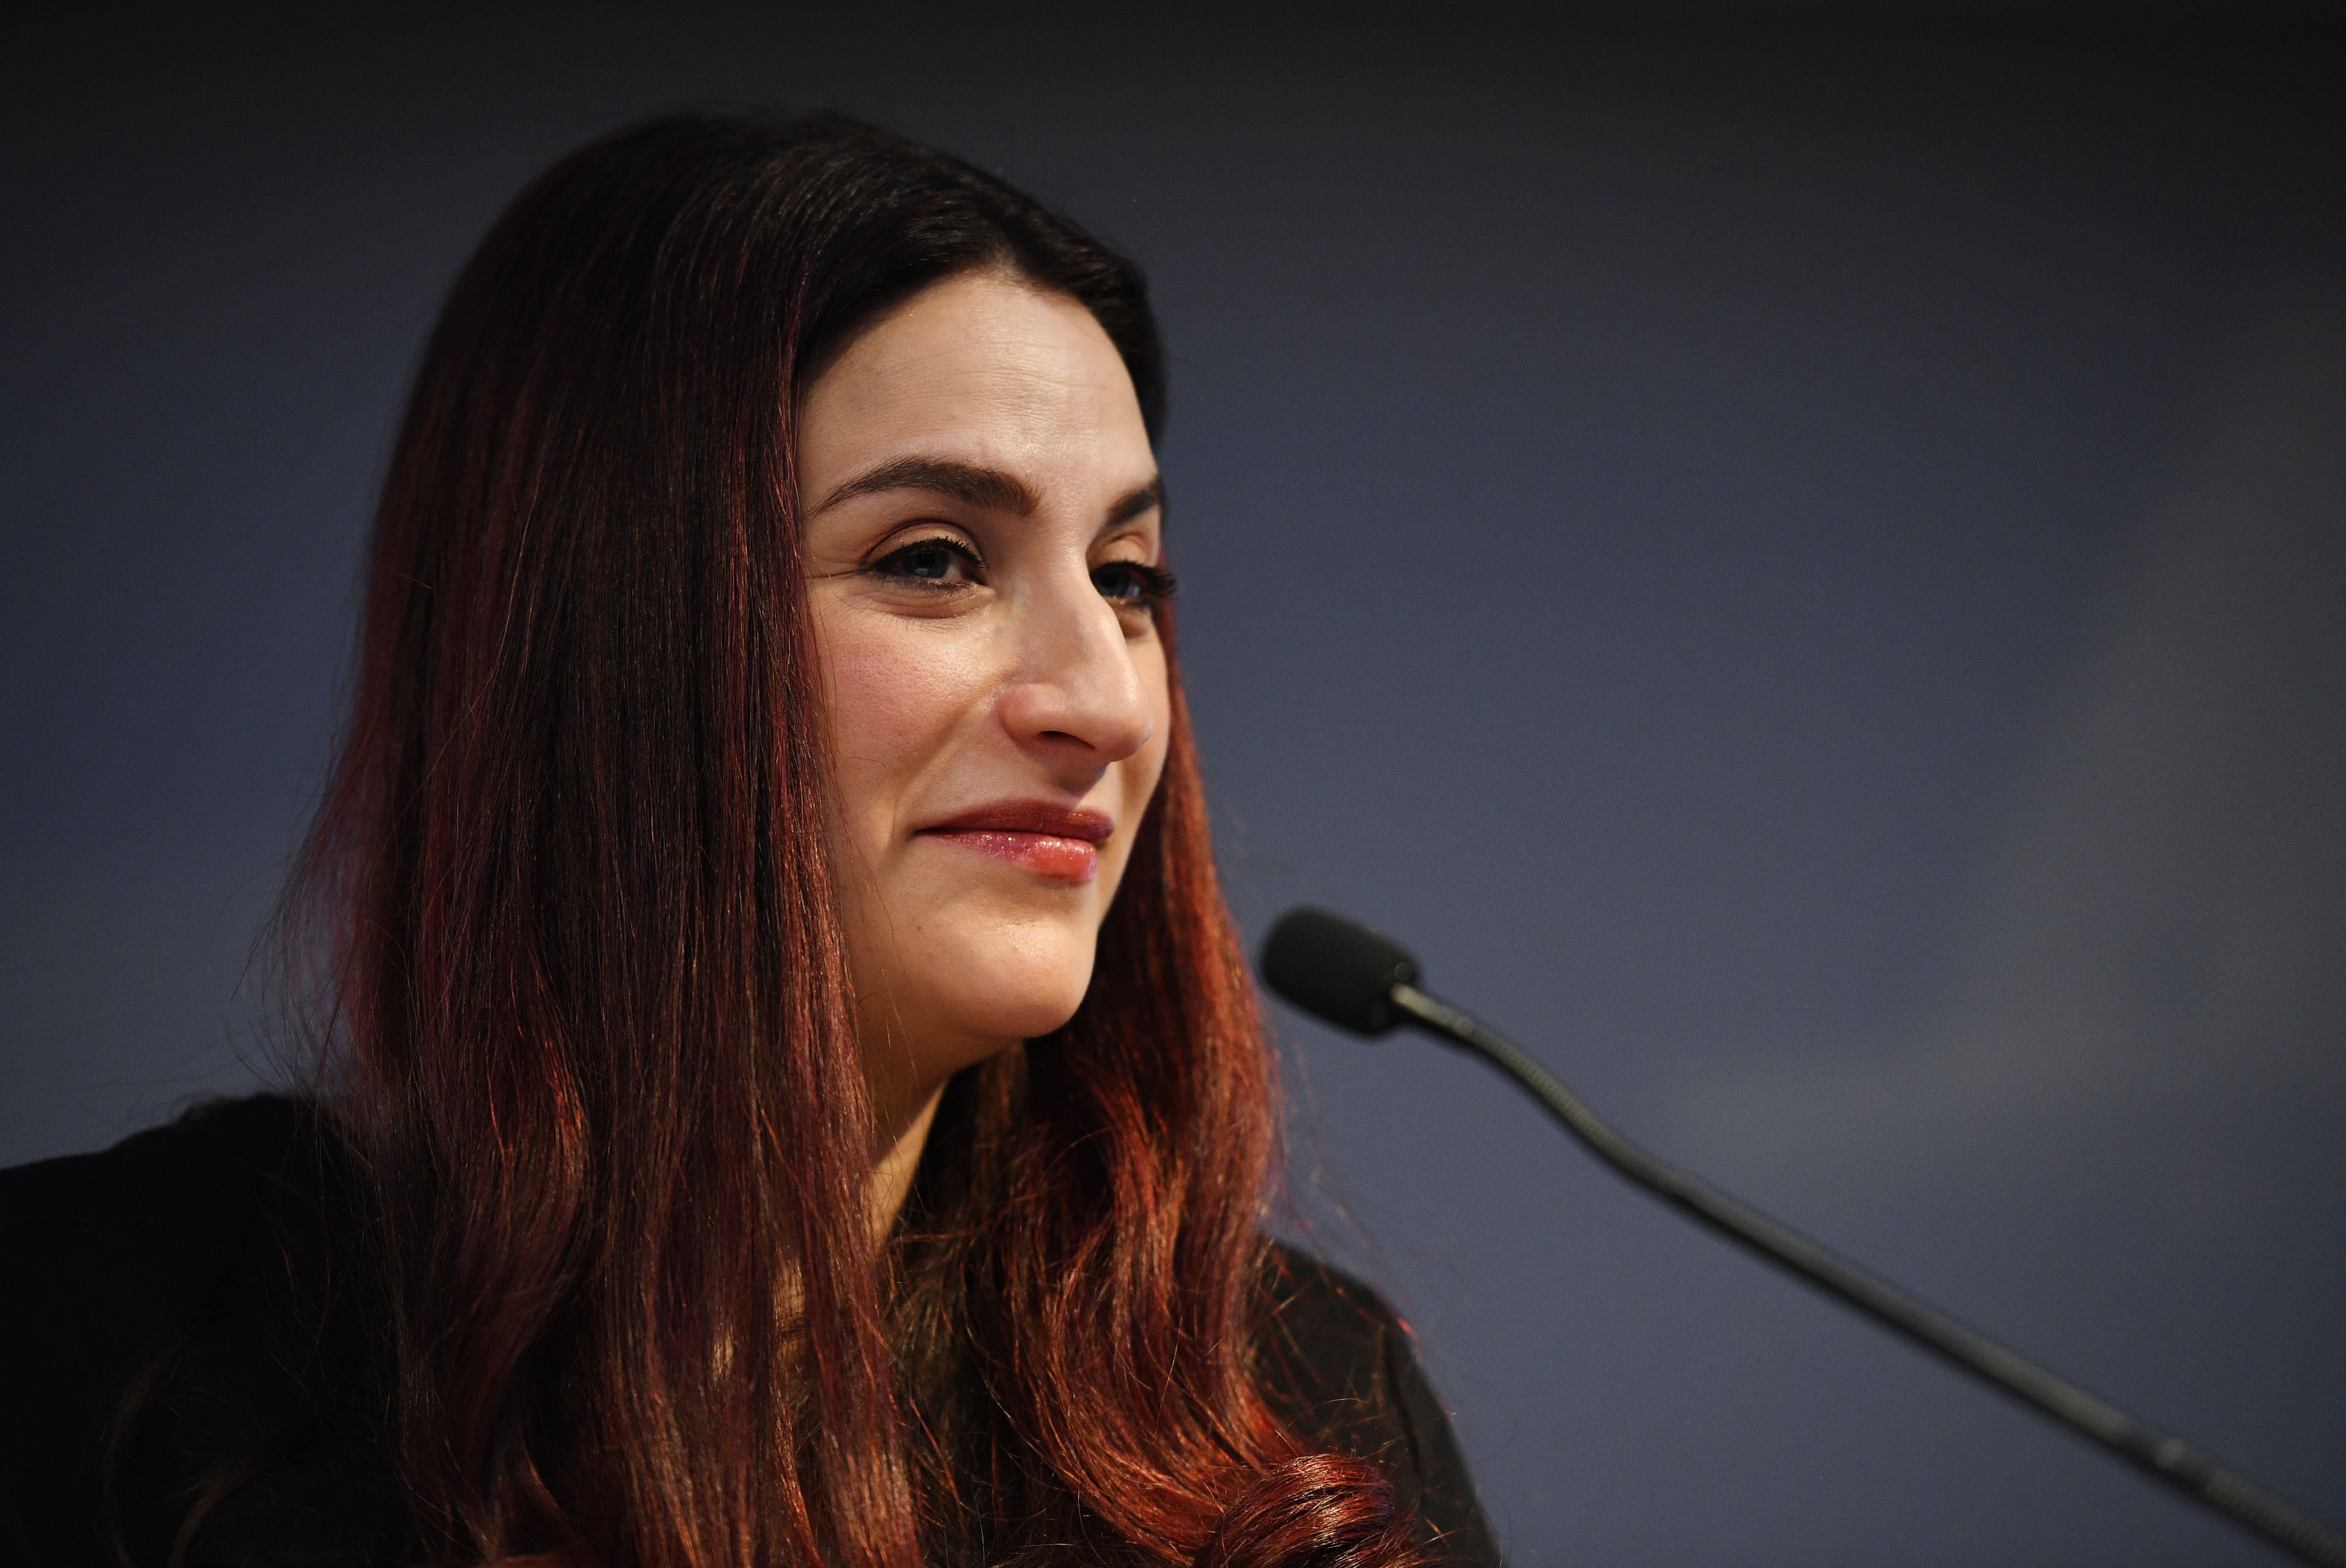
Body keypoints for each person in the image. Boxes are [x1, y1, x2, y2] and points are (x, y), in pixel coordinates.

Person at [0, 114, 1501, 1568]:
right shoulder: (92, 1341)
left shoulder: (1292, 1400)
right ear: (603, 638)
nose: (1104, 700)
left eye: (1128, 579)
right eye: (934, 560)